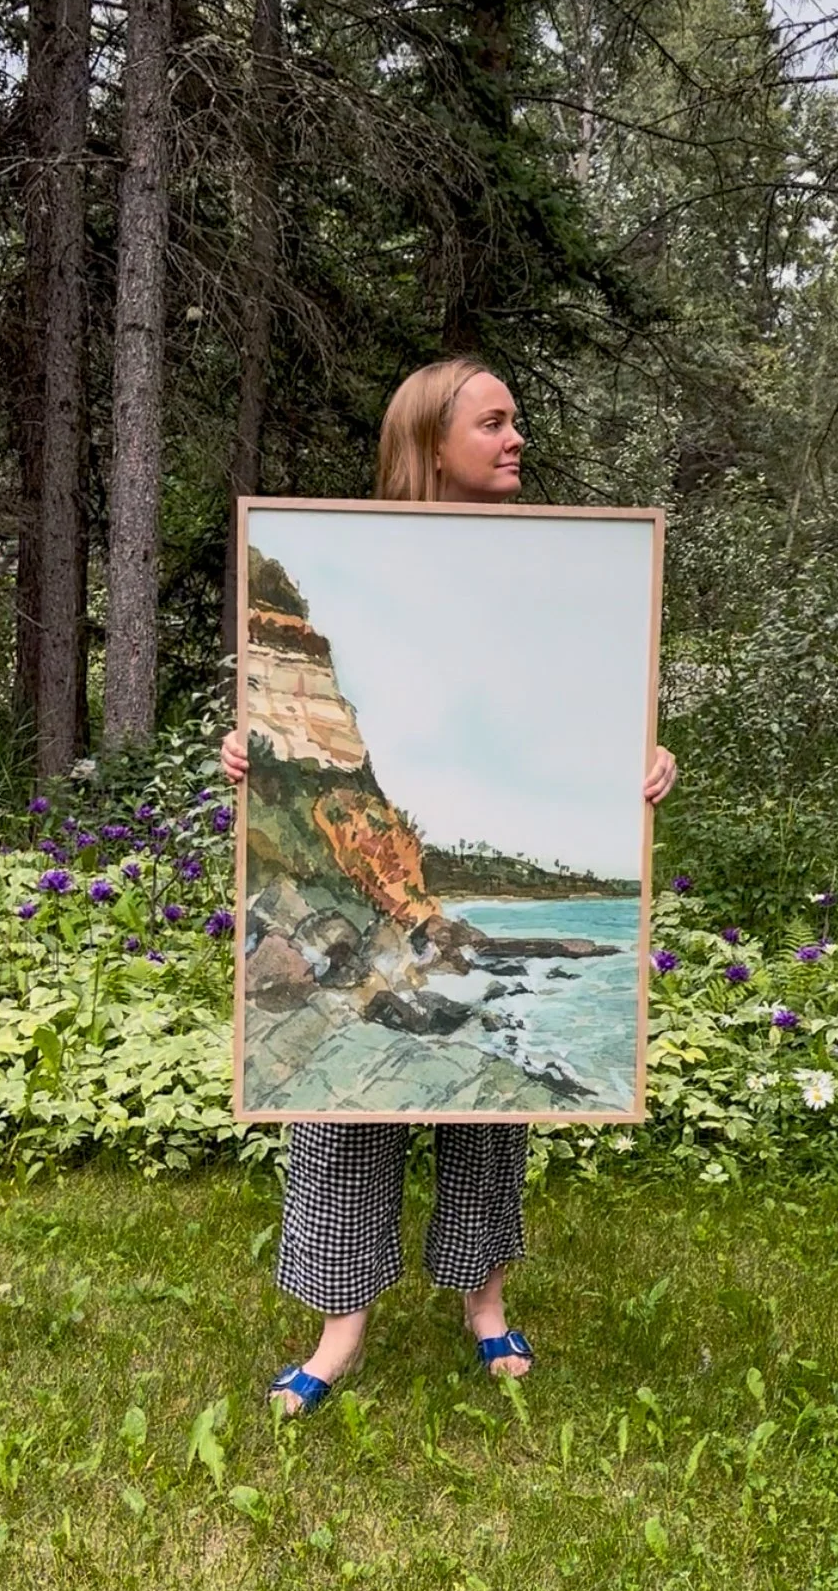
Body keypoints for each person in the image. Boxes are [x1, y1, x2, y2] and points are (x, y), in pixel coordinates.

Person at [221, 359, 678, 1413]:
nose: (517, 437)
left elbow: (587, 703)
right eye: (495, 422)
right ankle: (339, 1332)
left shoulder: (564, 568)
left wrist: (642, 762)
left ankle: (484, 1303)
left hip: (401, 916)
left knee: (490, 1126)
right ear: (433, 444)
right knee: (335, 1121)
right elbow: (280, 746)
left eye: (518, 419)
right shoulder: (352, 560)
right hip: (356, 903)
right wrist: (250, 760)